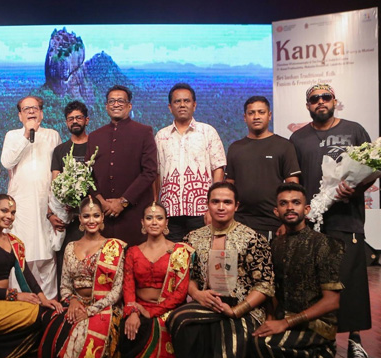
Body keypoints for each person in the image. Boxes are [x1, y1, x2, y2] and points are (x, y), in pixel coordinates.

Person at [290, 83, 373, 358]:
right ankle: (318, 341)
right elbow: (295, 182)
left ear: (335, 101)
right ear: (307, 105)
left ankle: (355, 341)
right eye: (314, 99)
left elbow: (373, 170)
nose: (320, 102)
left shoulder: (354, 130)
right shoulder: (298, 138)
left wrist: (357, 186)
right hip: (312, 220)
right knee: (313, 282)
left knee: (350, 280)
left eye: (326, 97)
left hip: (346, 218)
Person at [165, 182, 274, 358]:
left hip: (244, 308)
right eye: (215, 202)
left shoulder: (253, 239)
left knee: (229, 350)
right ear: (207, 205)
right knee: (177, 319)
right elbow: (184, 276)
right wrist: (198, 295)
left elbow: (265, 285)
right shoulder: (193, 238)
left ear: (237, 206)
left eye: (227, 202)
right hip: (207, 303)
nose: (221, 207)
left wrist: (235, 310)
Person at [251, 183, 344, 358]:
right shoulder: (275, 245)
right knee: (252, 338)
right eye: (283, 204)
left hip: (316, 326)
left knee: (262, 345)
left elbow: (332, 301)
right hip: (285, 320)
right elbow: (273, 291)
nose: (290, 208)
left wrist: (284, 323)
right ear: (277, 211)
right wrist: (270, 320)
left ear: (306, 209)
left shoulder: (324, 244)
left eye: (296, 203)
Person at [0, 194, 61, 358]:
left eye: (12, 212)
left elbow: (26, 274)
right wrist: (15, 295)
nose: (9, 216)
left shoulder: (13, 242)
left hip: (4, 301)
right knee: (41, 314)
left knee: (48, 309)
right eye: (4, 210)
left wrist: (43, 298)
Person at [39, 196, 126, 358]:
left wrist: (90, 310)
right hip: (75, 305)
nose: (91, 220)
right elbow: (64, 285)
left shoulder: (113, 247)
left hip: (103, 307)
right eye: (86, 216)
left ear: (102, 217)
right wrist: (71, 301)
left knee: (81, 338)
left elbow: (117, 291)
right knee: (52, 333)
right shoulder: (70, 246)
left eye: (95, 215)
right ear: (80, 219)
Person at [119, 201, 194, 358]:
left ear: (166, 223)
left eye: (159, 218)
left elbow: (181, 291)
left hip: (169, 308)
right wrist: (133, 312)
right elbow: (128, 286)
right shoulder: (133, 252)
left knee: (170, 324)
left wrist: (153, 312)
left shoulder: (178, 251)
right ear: (142, 223)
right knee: (129, 328)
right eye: (149, 218)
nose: (154, 222)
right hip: (139, 307)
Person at [0, 96, 61, 299]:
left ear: (42, 113)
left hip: (46, 204)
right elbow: (7, 162)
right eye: (26, 109)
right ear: (20, 115)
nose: (31, 112)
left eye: (35, 108)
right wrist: (27, 134)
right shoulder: (12, 135)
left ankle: (50, 305)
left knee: (47, 254)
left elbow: (59, 170)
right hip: (22, 205)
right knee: (22, 253)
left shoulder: (52, 135)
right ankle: (23, 302)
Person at [86, 85, 157, 246]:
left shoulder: (144, 132)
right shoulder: (95, 136)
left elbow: (150, 172)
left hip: (133, 213)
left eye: (120, 101)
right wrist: (101, 202)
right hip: (102, 216)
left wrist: (123, 202)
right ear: (106, 106)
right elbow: (87, 175)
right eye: (112, 101)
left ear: (129, 105)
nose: (116, 104)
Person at [155, 83, 226, 242]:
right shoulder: (161, 136)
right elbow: (157, 174)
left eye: (186, 101)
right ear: (170, 107)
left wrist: (212, 207)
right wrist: (156, 206)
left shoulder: (207, 132)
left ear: (194, 105)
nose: (182, 105)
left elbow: (218, 169)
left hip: (201, 211)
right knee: (173, 260)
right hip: (170, 212)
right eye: (177, 101)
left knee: (202, 258)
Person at [225, 95, 300, 240]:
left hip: (274, 222)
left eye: (261, 112)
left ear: (269, 115)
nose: (256, 117)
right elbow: (230, 186)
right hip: (239, 222)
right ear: (244, 117)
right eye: (251, 113)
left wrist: (287, 221)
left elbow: (293, 187)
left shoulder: (284, 146)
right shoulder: (235, 148)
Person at [49, 100, 90, 293]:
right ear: (66, 123)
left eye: (78, 117)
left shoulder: (96, 147)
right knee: (66, 264)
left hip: (92, 218)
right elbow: (55, 184)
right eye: (70, 118)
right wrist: (54, 211)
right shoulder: (60, 150)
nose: (74, 121)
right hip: (68, 219)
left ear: (86, 120)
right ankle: (65, 304)